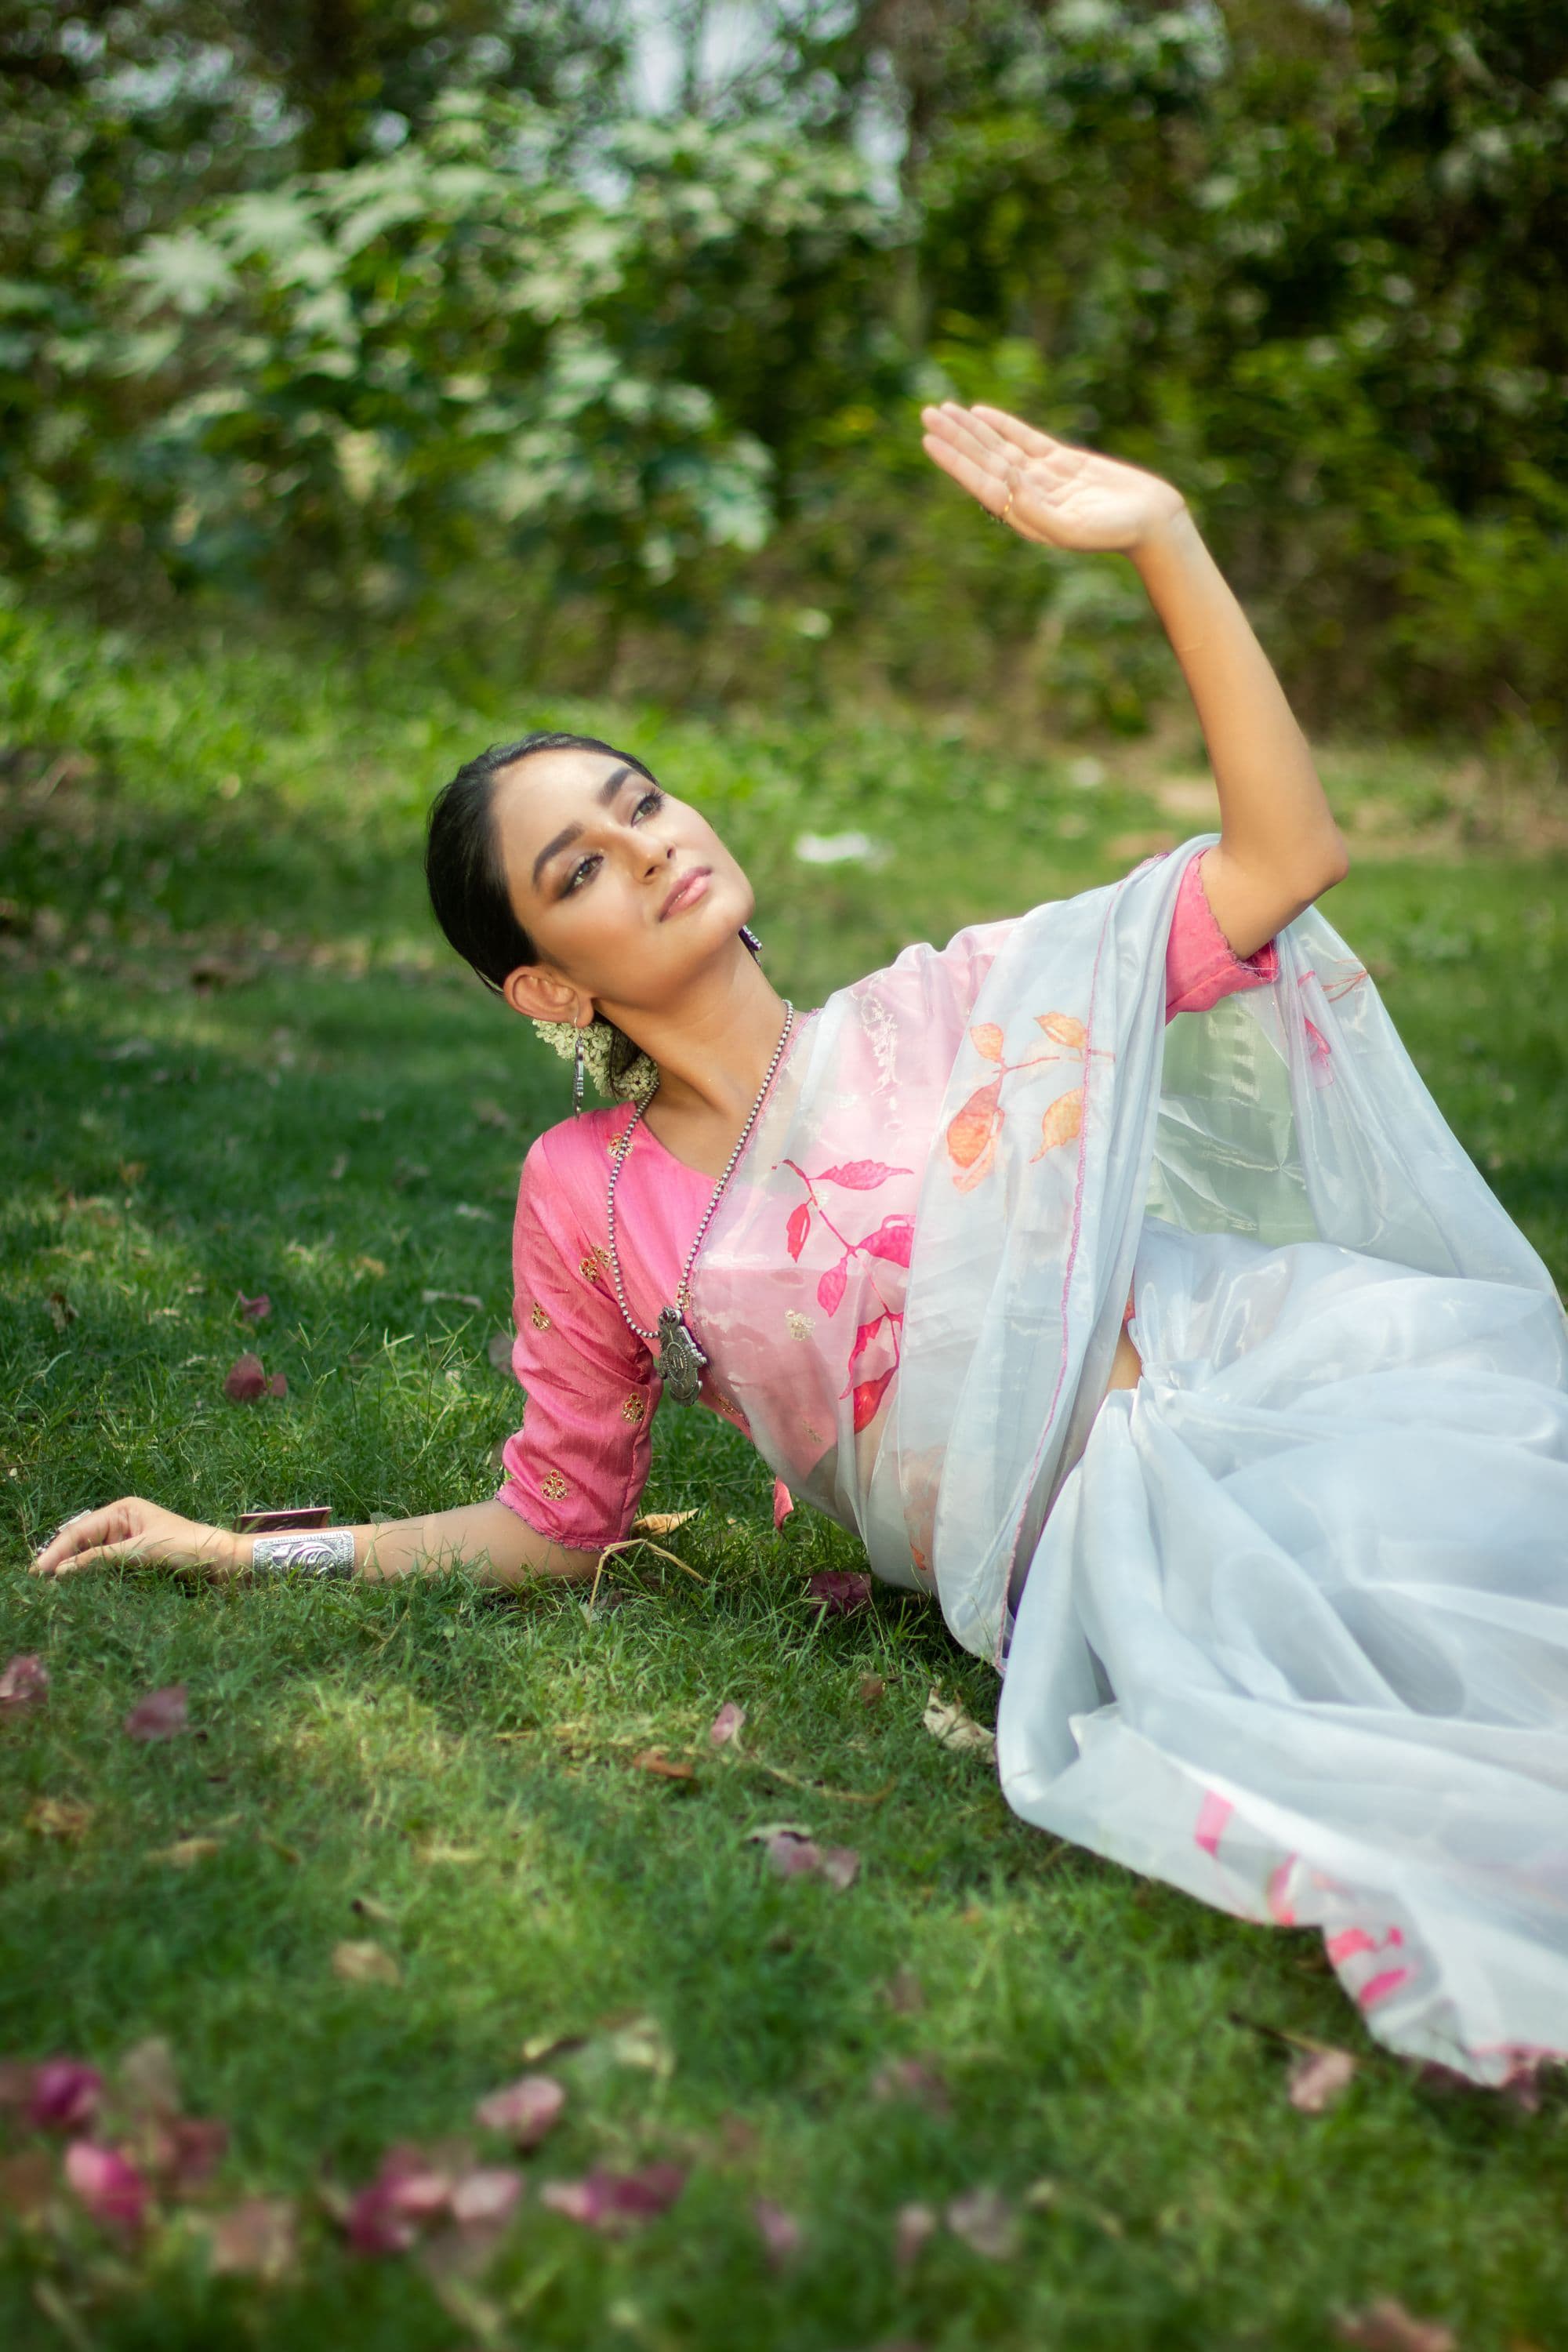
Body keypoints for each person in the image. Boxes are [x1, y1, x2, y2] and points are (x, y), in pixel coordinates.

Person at [31, 405, 1568, 2088]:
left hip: (1268, 1390)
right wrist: (241, 1553)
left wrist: (1163, 539)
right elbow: (554, 1525)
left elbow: (1287, 858)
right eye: (583, 866)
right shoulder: (590, 1196)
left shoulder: (956, 1006)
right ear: (546, 983)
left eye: (643, 802)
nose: (652, 844)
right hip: (1095, 1545)